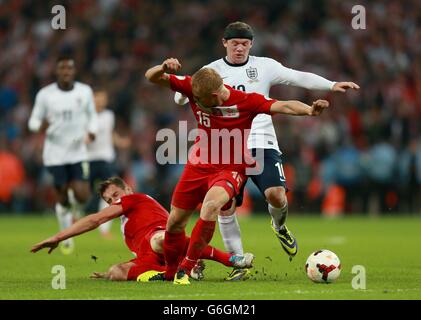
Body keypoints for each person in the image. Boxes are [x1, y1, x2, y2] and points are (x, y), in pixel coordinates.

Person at [175, 21, 360, 280]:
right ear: (224, 43)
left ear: (251, 44)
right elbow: (183, 94)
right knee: (224, 207)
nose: (239, 48)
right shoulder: (210, 71)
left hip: (262, 141)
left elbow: (298, 76)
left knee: (276, 195)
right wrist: (183, 94)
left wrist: (331, 85)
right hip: (227, 146)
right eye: (235, 43)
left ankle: (279, 225)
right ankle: (239, 265)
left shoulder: (265, 66)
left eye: (244, 43)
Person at [145, 57, 329, 285]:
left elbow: (283, 105)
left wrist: (310, 110)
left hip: (231, 167)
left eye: (200, 101)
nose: (196, 103)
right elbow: (151, 77)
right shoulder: (195, 86)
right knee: (174, 222)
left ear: (214, 96)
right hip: (198, 165)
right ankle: (171, 273)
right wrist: (162, 67)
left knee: (212, 206)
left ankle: (187, 268)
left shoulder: (245, 101)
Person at [30, 177, 254, 282]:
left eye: (115, 195)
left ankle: (231, 259)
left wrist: (59, 236)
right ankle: (176, 271)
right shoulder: (126, 220)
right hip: (152, 256)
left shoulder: (135, 199)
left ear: (128, 188)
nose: (113, 202)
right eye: (109, 200)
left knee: (160, 238)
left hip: (162, 242)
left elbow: (95, 220)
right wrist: (112, 272)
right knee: (116, 273)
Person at [28, 55, 98, 254]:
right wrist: (39, 126)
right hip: (55, 153)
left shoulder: (84, 91)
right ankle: (66, 236)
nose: (66, 72)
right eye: (62, 68)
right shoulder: (45, 95)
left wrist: (92, 131)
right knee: (62, 196)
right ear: (57, 71)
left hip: (77, 152)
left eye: (69, 68)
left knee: (82, 195)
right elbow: (33, 121)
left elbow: (92, 115)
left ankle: (75, 205)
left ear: (74, 71)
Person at [86, 88, 131, 238]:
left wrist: (121, 142)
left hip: (106, 159)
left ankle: (104, 230)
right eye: (97, 98)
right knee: (83, 194)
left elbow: (110, 134)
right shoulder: (86, 117)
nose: (100, 101)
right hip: (89, 159)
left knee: (111, 192)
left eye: (102, 98)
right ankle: (75, 213)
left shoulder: (109, 116)